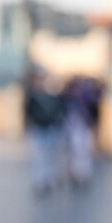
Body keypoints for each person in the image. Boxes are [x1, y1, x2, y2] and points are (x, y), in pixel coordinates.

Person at [24, 66, 66, 197]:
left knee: (50, 155)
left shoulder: (51, 95)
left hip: (51, 128)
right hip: (39, 128)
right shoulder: (32, 95)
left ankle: (48, 179)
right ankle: (39, 181)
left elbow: (59, 110)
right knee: (39, 156)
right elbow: (28, 112)